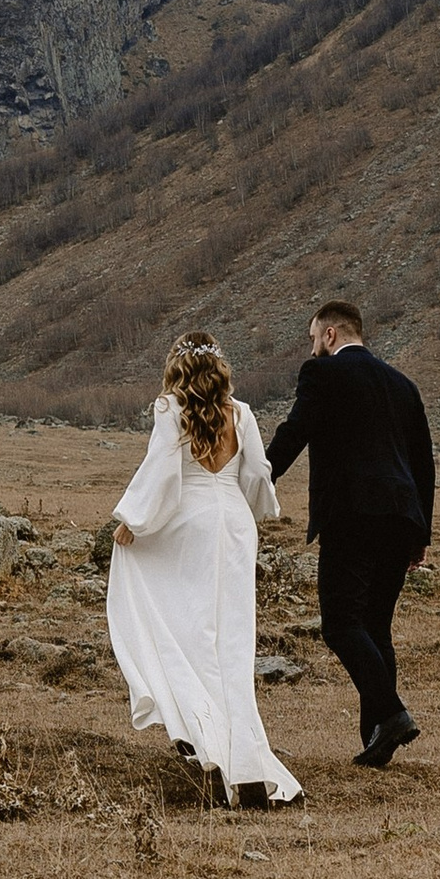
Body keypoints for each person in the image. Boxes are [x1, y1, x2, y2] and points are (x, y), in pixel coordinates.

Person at [106, 333, 301, 808]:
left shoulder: (170, 408)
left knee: (185, 633)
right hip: (233, 526)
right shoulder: (243, 414)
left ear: (178, 367)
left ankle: (206, 746)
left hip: (188, 524)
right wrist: (253, 508)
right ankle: (247, 768)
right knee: (233, 644)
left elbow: (161, 470)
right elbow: (258, 475)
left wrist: (134, 521)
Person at [264, 299, 433, 769]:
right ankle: (377, 739)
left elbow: (294, 431)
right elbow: (423, 463)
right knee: (375, 626)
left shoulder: (322, 374)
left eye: (313, 337)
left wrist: (256, 480)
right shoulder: (403, 384)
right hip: (402, 517)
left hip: (352, 515)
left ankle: (392, 714)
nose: (311, 347)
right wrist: (422, 532)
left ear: (331, 334)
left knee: (340, 624)